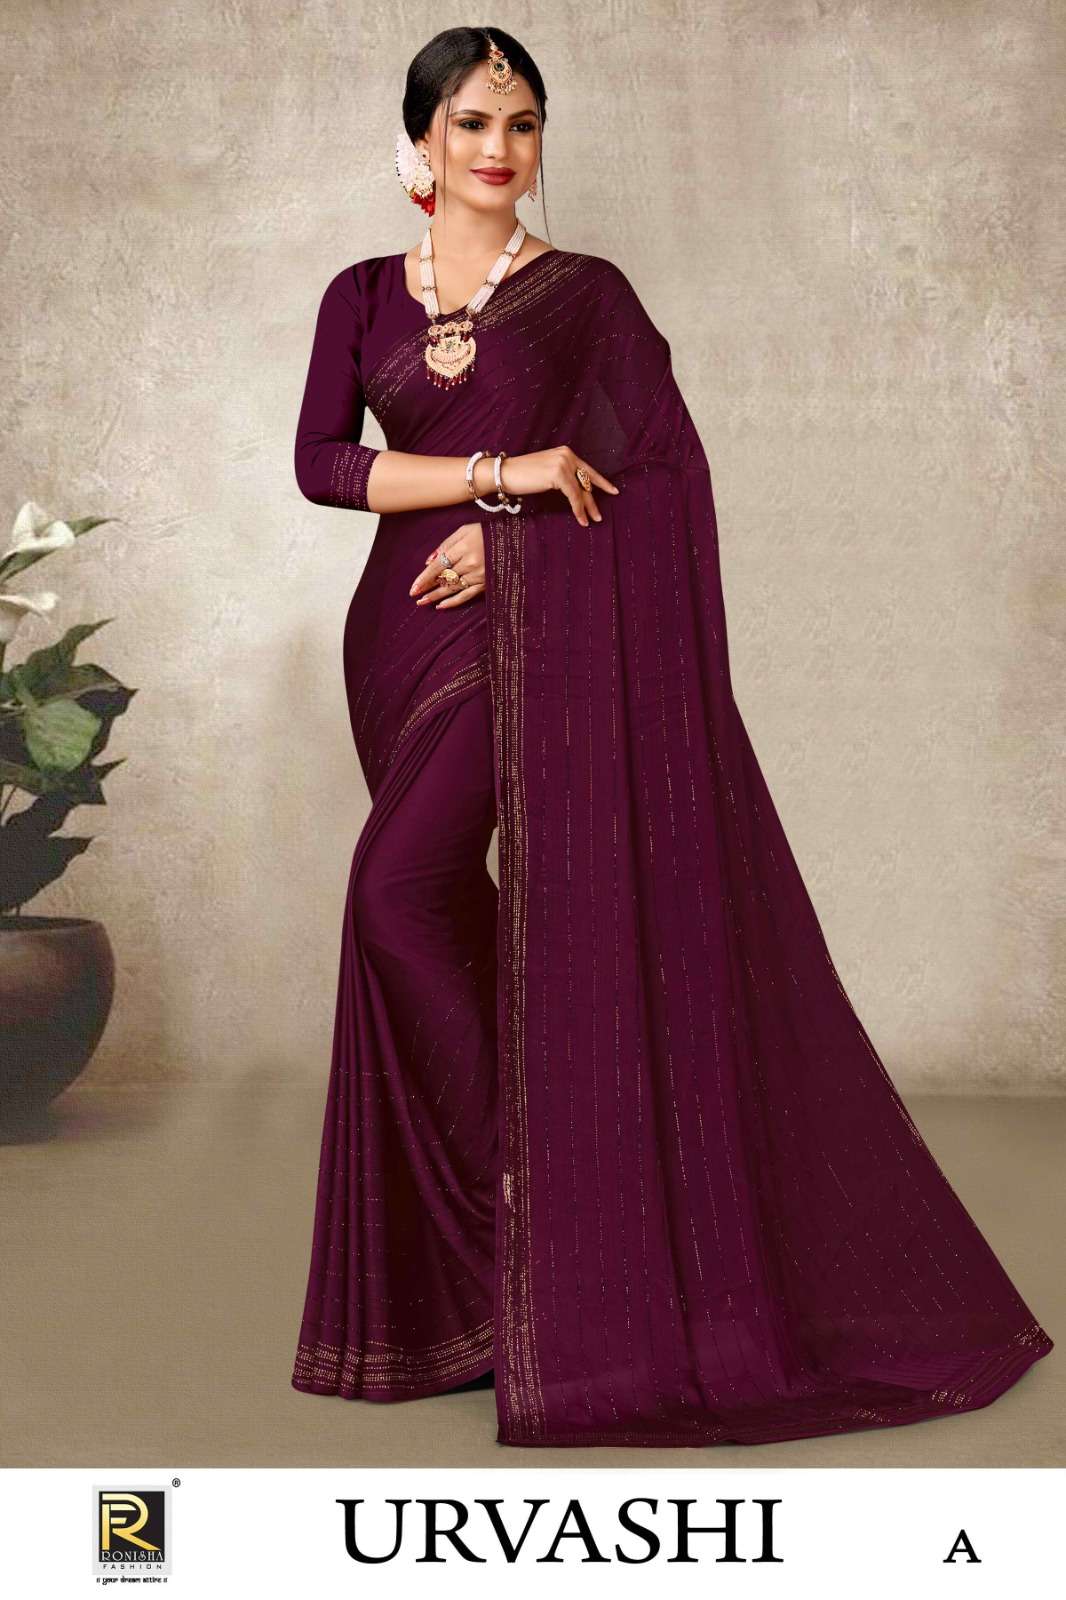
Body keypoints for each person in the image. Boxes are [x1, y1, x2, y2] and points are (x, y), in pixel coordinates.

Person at [288, 26, 1053, 1448]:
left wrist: (511, 539)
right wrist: (498, 474)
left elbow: (656, 477)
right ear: (420, 143)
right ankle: (521, 1248)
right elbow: (323, 464)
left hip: (523, 634)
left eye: (522, 122)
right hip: (394, 637)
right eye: (471, 122)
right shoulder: (359, 294)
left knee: (394, 896)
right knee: (442, 909)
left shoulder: (586, 298)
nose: (499, 147)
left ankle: (547, 1192)